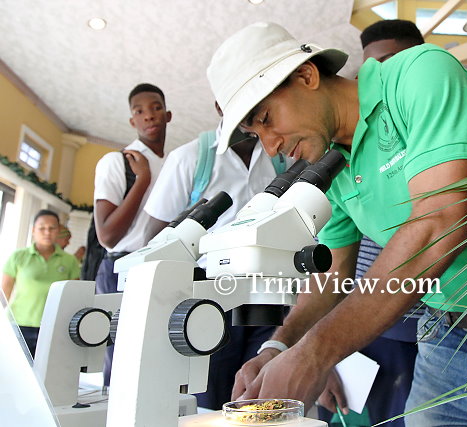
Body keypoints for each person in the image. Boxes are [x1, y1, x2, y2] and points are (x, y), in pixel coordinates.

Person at [208, 23, 467, 426]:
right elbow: (333, 274)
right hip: (445, 340)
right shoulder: (327, 163)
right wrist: (280, 345)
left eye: (267, 119)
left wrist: (314, 354)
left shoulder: (419, 72)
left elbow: (439, 224)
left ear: (306, 75)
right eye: (255, 134)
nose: (270, 146)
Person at [316, 19, 426, 427]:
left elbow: (436, 223)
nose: (379, 76)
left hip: (441, 323)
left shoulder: (433, 121)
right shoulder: (340, 157)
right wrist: (320, 350)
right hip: (371, 325)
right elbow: (334, 269)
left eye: (391, 63)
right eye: (370, 69)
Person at [143, 121, 289, 409]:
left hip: (267, 289)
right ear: (220, 107)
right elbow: (153, 238)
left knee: (258, 394)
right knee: (210, 393)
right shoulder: (189, 158)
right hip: (211, 290)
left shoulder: (280, 156)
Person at [93, 82, 170, 385]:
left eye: (156, 108)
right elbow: (107, 236)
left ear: (168, 115)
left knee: (158, 361)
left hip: (162, 271)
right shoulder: (118, 162)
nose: (149, 115)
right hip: (121, 269)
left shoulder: (176, 164)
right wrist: (142, 180)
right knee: (122, 362)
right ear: (132, 120)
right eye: (139, 111)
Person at [1, 210, 80, 357]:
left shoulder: (70, 261)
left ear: (58, 230)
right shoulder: (18, 257)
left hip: (55, 327)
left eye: (52, 228)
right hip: (19, 325)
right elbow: (3, 295)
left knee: (48, 370)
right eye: (42, 228)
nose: (47, 232)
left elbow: (74, 296)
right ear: (33, 230)